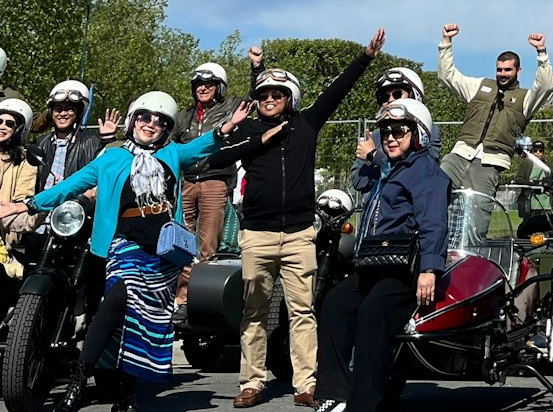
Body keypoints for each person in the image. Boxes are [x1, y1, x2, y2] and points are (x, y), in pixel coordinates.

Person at [0, 90, 253, 412]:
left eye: (159, 121)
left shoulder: (173, 154)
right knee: (120, 296)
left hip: (164, 250)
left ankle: (126, 394)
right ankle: (78, 381)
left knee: (140, 321)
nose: (151, 124)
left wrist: (227, 126)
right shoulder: (111, 157)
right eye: (145, 117)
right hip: (123, 243)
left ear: (166, 127)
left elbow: (198, 147)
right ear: (133, 121)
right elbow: (71, 185)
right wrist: (27, 204)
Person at [230, 30, 387, 410]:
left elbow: (338, 91)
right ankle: (252, 382)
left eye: (277, 95)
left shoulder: (307, 124)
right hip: (257, 233)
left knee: (302, 311)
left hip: (300, 233)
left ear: (290, 100)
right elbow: (220, 155)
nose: (269, 100)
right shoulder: (249, 130)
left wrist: (365, 57)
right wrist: (259, 73)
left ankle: (306, 382)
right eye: (264, 95)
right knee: (254, 312)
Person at [315, 98, 449, 412]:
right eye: (385, 131)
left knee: (373, 313)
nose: (389, 137)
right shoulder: (388, 170)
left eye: (398, 131)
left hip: (405, 270)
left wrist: (429, 269)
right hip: (376, 264)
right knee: (335, 302)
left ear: (419, 134)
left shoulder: (426, 173)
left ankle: (364, 404)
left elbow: (434, 224)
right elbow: (360, 181)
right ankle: (335, 393)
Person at [437, 23, 553, 203]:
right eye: (499, 69)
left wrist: (542, 53)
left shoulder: (526, 100)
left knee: (476, 221)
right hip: (459, 155)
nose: (502, 74)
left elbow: (545, 86)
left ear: (518, 71)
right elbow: (447, 76)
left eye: (508, 70)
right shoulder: (479, 86)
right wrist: (447, 41)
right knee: (433, 194)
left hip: (490, 163)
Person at [172, 62, 240, 314]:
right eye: (199, 84)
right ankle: (180, 296)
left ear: (219, 87)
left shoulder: (229, 107)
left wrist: (257, 67)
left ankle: (199, 294)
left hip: (215, 178)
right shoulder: (184, 115)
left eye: (209, 84)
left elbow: (255, 96)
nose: (203, 88)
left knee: (208, 240)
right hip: (187, 180)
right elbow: (169, 144)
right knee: (181, 239)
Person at [351, 66, 440, 199]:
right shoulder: (375, 135)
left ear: (414, 95)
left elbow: (421, 171)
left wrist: (374, 157)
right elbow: (358, 180)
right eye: (385, 97)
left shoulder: (428, 129)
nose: (391, 100)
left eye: (397, 94)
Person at [27, 79, 119, 191]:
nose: (63, 113)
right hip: (43, 203)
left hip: (76, 205)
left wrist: (108, 140)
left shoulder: (92, 143)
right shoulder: (41, 142)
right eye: (58, 109)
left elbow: (109, 169)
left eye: (69, 109)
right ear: (51, 113)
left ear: (78, 113)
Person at [0, 98, 37, 275]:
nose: (2, 126)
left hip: (4, 236)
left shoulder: (25, 161)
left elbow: (21, 204)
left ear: (19, 129)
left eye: (9, 123)